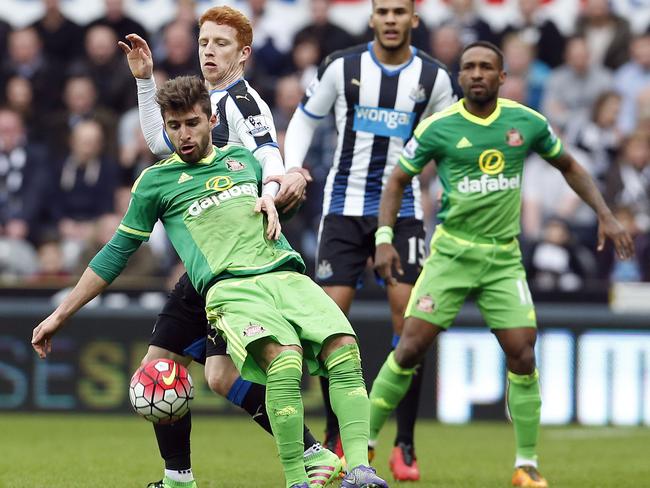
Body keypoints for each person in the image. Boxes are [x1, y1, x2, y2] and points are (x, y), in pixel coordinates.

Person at [31, 75, 388, 488]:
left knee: (241, 371)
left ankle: (349, 468)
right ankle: (188, 477)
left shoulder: (244, 161)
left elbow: (271, 215)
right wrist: (61, 314)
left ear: (212, 119)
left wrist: (289, 197)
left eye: (192, 123)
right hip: (221, 287)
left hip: (276, 274)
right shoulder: (155, 182)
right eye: (174, 126)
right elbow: (115, 253)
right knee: (167, 371)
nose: (183, 135)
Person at [367, 40, 635, 488]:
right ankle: (364, 446)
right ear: (460, 77)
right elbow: (397, 179)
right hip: (451, 253)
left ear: (502, 77)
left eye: (485, 67)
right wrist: (384, 237)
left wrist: (605, 214)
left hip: (502, 258)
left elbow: (569, 164)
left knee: (523, 353)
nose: (476, 73)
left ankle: (525, 465)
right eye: (468, 66)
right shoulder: (439, 127)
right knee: (409, 347)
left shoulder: (525, 123)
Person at [117, 7, 330, 488]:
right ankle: (308, 454)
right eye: (204, 41)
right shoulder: (208, 100)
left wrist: (279, 184)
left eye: (221, 43)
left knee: (162, 368)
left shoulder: (241, 101)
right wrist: (146, 81)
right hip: (210, 265)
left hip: (240, 265)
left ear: (244, 53)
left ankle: (186, 478)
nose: (209, 50)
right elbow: (160, 142)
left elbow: (268, 154)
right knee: (213, 375)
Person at [283, 0, 455, 481]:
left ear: (413, 20)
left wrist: (445, 196)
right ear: (374, 18)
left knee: (412, 326)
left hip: (401, 216)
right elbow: (304, 118)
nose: (393, 19)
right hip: (342, 211)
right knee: (327, 325)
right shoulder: (343, 66)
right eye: (384, 11)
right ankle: (336, 434)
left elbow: (449, 143)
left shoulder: (435, 79)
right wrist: (294, 167)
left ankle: (404, 443)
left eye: (401, 11)